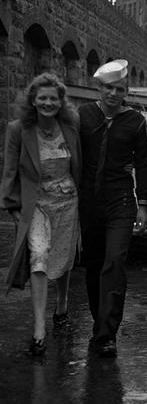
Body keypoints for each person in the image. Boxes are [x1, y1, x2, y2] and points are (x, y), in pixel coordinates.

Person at [1, 73, 81, 356]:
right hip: (35, 204)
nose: (48, 103)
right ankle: (39, 328)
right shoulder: (18, 129)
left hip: (68, 202)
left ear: (61, 101)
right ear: (33, 100)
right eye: (42, 98)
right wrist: (11, 205)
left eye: (53, 98)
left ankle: (62, 304)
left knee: (62, 258)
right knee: (39, 257)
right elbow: (10, 169)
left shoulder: (70, 127)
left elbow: (79, 165)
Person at [78, 59, 147, 358]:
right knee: (94, 265)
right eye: (109, 88)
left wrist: (144, 206)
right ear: (100, 88)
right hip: (89, 200)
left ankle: (108, 334)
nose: (114, 94)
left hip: (120, 199)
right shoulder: (83, 115)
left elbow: (143, 166)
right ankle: (99, 323)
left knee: (115, 262)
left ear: (126, 92)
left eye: (120, 89)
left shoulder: (134, 121)